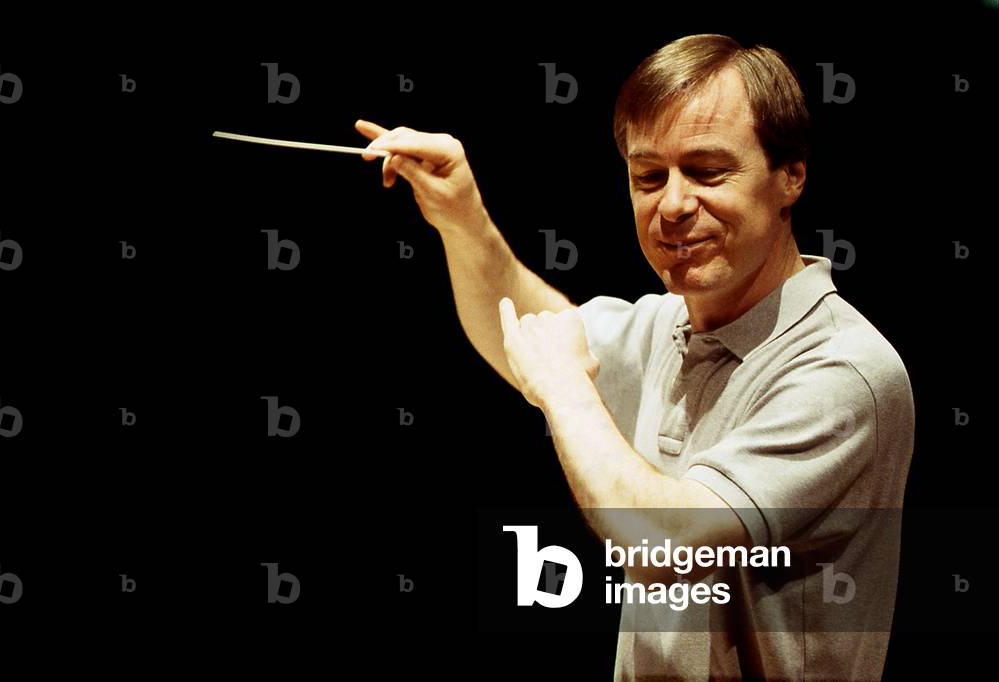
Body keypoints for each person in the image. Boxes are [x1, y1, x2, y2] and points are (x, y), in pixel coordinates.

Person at [356, 33, 915, 682]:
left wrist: (565, 388)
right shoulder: (667, 324)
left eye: (707, 171)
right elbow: (529, 330)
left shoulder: (840, 372)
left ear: (790, 175)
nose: (672, 206)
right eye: (649, 176)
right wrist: (461, 216)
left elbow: (663, 543)